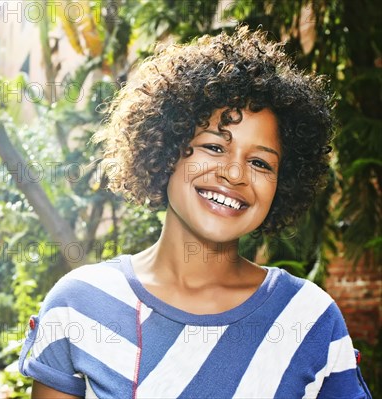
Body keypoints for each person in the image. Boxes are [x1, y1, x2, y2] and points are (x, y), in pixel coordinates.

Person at [18, 27, 372, 399]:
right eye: (214, 146)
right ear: (167, 148)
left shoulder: (309, 317)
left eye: (260, 163)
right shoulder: (81, 303)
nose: (235, 173)